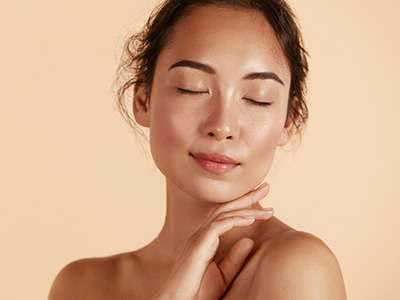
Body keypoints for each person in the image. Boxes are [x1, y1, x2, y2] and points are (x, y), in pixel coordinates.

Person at [49, 0, 347, 299]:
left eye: (258, 98)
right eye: (192, 88)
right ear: (143, 101)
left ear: (288, 121)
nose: (223, 126)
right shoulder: (80, 286)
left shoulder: (299, 269)